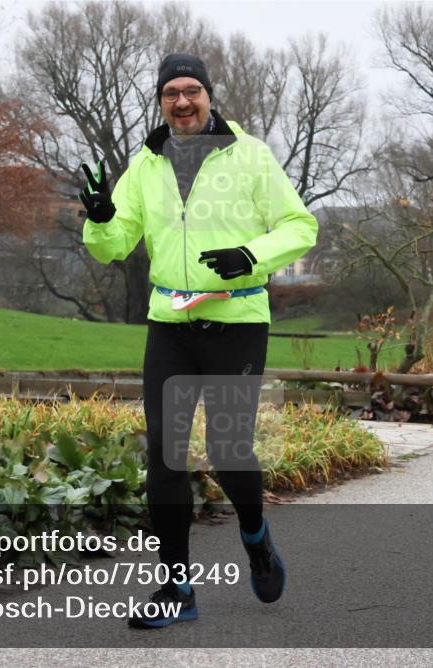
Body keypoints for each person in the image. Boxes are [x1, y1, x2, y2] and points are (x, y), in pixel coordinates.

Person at [79, 53, 318, 629]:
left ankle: (256, 537)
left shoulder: (251, 156)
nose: (181, 102)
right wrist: (100, 218)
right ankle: (176, 587)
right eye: (170, 93)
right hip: (170, 326)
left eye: (191, 91)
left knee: (231, 452)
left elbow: (300, 226)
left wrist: (250, 256)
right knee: (165, 453)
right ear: (160, 101)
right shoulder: (146, 163)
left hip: (236, 322)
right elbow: (113, 247)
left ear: (209, 96)